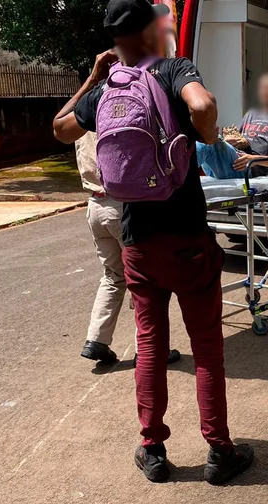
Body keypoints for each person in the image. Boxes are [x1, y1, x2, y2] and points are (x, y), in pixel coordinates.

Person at [53, 0, 253, 485]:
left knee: (149, 344)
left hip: (137, 242)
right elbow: (203, 106)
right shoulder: (171, 69)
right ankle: (219, 451)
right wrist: (204, 135)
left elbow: (60, 130)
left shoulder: (105, 90)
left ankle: (154, 449)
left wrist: (93, 77)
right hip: (187, 237)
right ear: (152, 31)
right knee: (206, 348)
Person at [74, 131, 181, 367]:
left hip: (95, 205)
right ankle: (149, 349)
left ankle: (96, 340)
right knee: (143, 277)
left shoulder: (83, 115)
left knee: (112, 275)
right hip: (121, 205)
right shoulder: (117, 114)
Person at [196, 71, 268, 180]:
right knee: (204, 136)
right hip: (232, 159)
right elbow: (238, 140)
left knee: (207, 140)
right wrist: (229, 140)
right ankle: (180, 175)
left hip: (248, 168)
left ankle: (178, 177)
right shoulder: (251, 114)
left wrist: (253, 159)